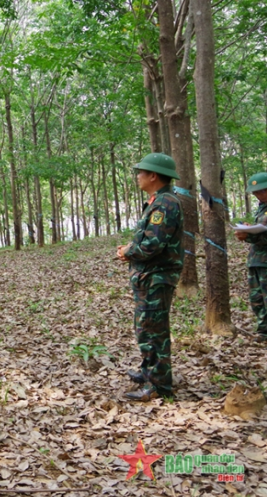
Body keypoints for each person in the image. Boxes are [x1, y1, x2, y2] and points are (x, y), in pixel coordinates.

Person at [116, 153, 183, 401]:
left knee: (154, 330)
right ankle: (149, 372)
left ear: (153, 176)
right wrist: (130, 251)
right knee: (146, 328)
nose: (138, 177)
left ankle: (159, 386)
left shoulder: (165, 204)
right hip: (149, 277)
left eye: (141, 173)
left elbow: (152, 245)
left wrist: (128, 252)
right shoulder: (158, 201)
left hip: (157, 278)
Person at [236, 172, 267, 343]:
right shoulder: (261, 207)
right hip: (256, 259)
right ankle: (263, 331)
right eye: (255, 193)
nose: (258, 195)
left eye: (261, 191)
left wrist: (248, 235)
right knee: (256, 298)